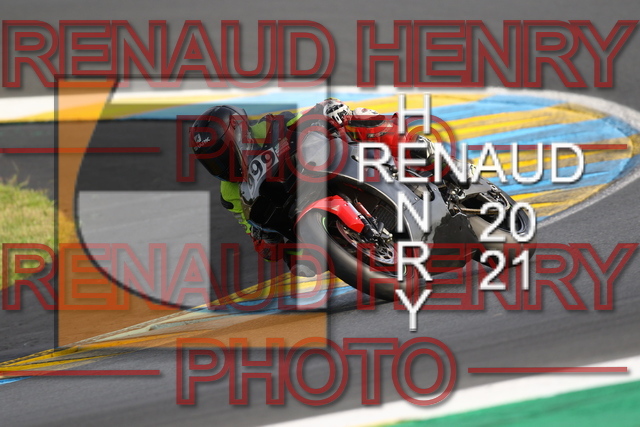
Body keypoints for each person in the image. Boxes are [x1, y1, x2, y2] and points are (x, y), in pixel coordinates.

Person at [197, 99, 436, 273]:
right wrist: (263, 238)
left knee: (355, 118)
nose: (221, 166)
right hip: (293, 207)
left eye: (221, 155)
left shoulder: (270, 126)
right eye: (212, 163)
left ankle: (417, 147)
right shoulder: (230, 193)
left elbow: (307, 120)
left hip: (319, 167)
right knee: (297, 262)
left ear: (238, 135)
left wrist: (328, 111)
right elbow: (261, 246)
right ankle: (351, 253)